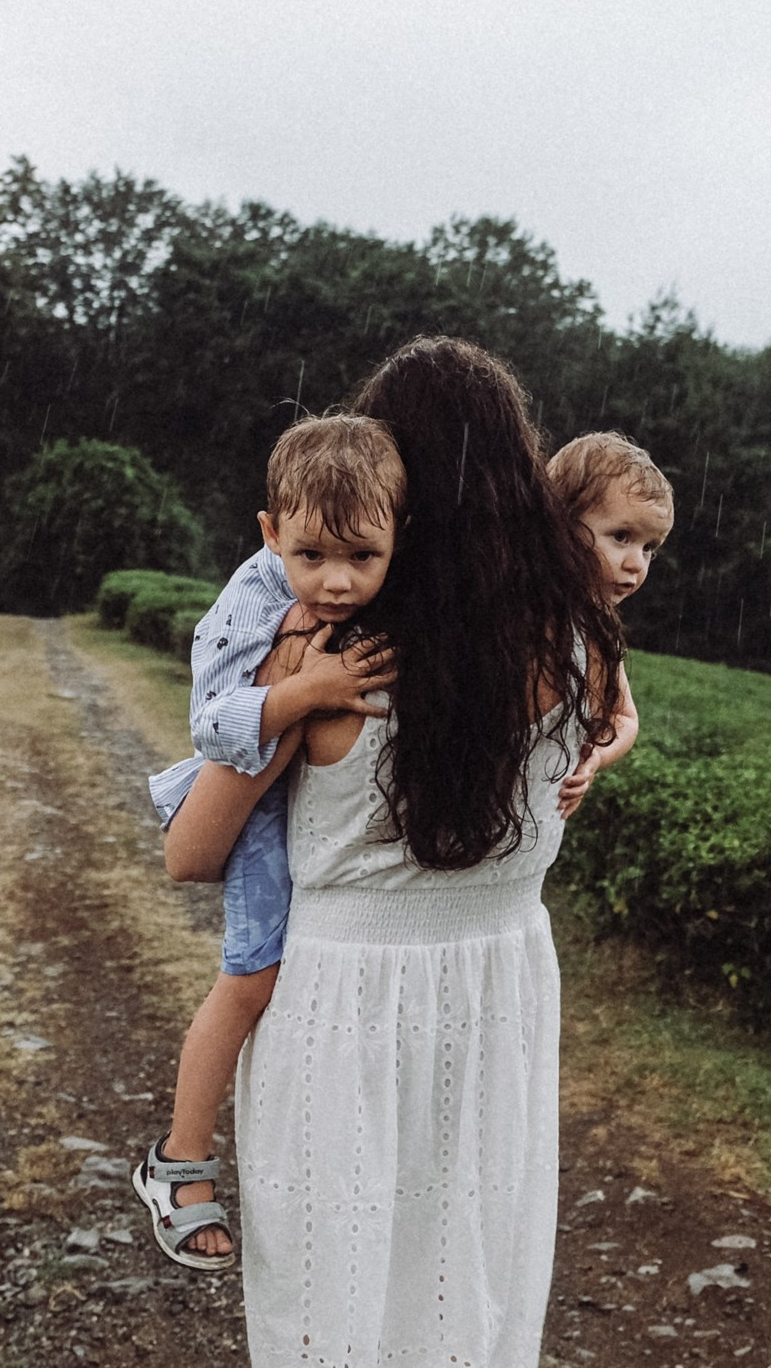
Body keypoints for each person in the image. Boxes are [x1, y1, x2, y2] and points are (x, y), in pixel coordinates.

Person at [173, 337, 624, 1367]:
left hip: (342, 999)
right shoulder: (580, 644)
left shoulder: (324, 656)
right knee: (468, 1271)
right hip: (503, 982)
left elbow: (193, 852)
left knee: (332, 1295)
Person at [137, 414, 405, 1269]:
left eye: (362, 558)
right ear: (270, 533)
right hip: (253, 809)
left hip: (313, 804)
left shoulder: (376, 581)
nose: (335, 583)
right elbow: (212, 725)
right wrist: (305, 689)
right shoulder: (250, 600)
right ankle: (179, 1159)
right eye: (312, 556)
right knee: (252, 978)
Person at [547, 431, 676, 815]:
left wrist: (596, 758)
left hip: (540, 822)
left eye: (649, 548)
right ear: (561, 523)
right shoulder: (511, 603)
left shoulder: (598, 629)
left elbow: (624, 717)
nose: (637, 563)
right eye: (621, 536)